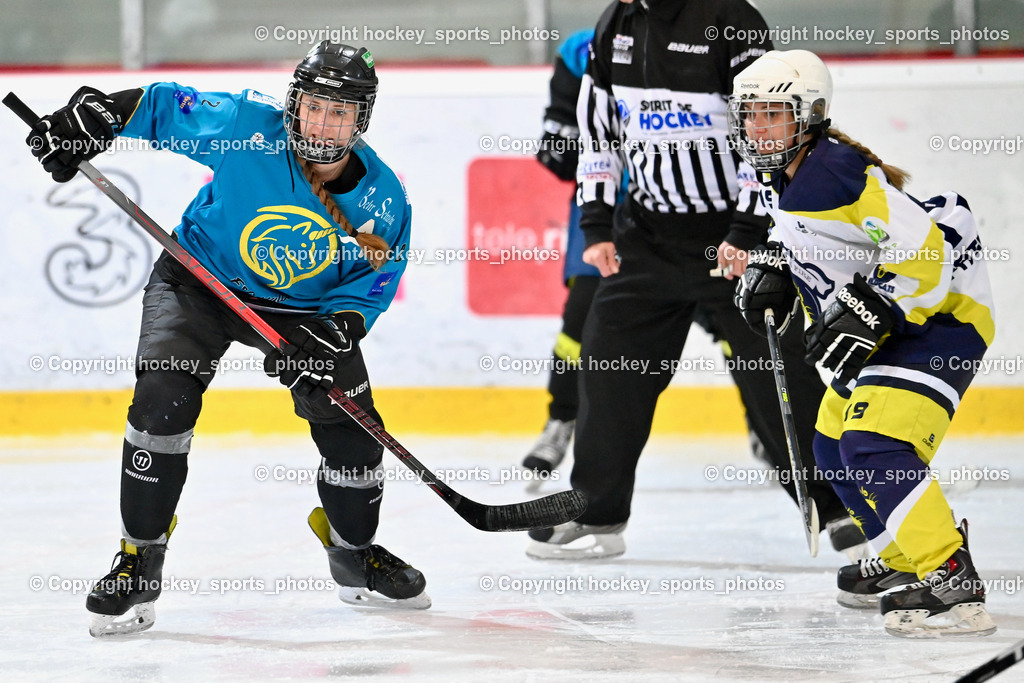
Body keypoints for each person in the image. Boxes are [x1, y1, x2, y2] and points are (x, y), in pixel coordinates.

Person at [25, 41, 428, 637]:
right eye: (314, 106)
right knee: (162, 401)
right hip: (199, 281)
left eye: (339, 113)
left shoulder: (382, 200)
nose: (322, 124)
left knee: (351, 427)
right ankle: (138, 562)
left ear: (361, 120)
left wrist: (335, 331)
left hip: (303, 309)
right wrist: (99, 118)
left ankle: (353, 553)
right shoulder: (247, 127)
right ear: (295, 102)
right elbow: (163, 109)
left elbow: (371, 282)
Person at [525, 0, 864, 561]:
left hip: (732, 241)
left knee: (780, 376)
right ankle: (598, 511)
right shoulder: (619, 23)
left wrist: (747, 230)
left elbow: (768, 129)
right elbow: (599, 132)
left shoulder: (731, 19)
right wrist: (597, 225)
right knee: (610, 369)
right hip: (647, 237)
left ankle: (837, 509)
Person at [729, 49, 996, 637]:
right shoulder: (787, 174)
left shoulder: (833, 172)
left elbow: (927, 252)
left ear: (810, 115)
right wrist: (775, 269)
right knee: (830, 448)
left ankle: (951, 580)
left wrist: (872, 306)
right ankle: (901, 558)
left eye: (773, 114)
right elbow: (819, 244)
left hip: (940, 323)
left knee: (875, 448)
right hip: (894, 328)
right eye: (749, 115)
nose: (757, 128)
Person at [522, 29, 602, 479]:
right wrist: (565, 141)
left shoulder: (702, 41)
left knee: (736, 323)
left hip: (689, 216)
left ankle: (761, 427)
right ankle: (561, 420)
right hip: (604, 211)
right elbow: (557, 152)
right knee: (578, 325)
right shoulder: (581, 50)